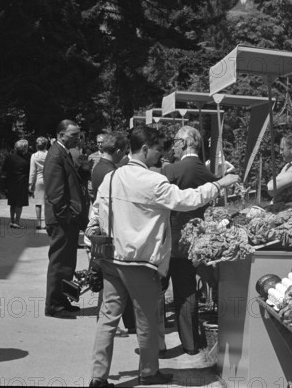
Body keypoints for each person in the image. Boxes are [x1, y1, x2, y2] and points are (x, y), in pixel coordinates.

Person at [86, 125, 240, 387]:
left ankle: (97, 378)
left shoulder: (112, 177)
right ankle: (148, 373)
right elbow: (187, 200)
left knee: (108, 319)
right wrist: (219, 184)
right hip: (140, 262)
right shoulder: (152, 181)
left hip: (111, 258)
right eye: (157, 149)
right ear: (144, 149)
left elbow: (96, 211)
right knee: (146, 319)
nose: (161, 155)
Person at [162, 126, 218, 356]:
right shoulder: (207, 172)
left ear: (185, 143)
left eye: (175, 141)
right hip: (195, 240)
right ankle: (191, 344)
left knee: (158, 290)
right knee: (187, 292)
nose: (173, 146)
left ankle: (157, 343)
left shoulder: (173, 169)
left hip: (169, 239)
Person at [90, 131, 136, 338]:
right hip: (108, 233)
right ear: (117, 151)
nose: (125, 155)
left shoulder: (101, 167)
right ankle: (108, 323)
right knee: (108, 283)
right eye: (124, 152)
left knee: (107, 279)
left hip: (103, 230)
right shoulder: (109, 172)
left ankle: (109, 321)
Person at [44, 120, 89, 319]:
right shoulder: (55, 154)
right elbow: (55, 192)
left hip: (66, 219)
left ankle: (62, 300)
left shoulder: (63, 152)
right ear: (62, 135)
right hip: (62, 220)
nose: (77, 138)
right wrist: (67, 215)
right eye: (74, 135)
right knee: (59, 263)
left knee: (67, 263)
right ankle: (53, 304)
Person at [2, 139, 31, 229]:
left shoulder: (9, 157)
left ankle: (12, 221)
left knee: (12, 203)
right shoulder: (29, 157)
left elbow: (4, 170)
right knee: (19, 203)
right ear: (25, 148)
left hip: (11, 182)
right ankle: (17, 222)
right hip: (22, 182)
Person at [29, 137, 49, 230]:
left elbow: (32, 172)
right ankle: (46, 223)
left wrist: (30, 183)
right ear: (46, 145)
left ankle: (38, 222)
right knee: (46, 202)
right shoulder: (49, 154)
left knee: (38, 203)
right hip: (48, 180)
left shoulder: (34, 156)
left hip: (38, 180)